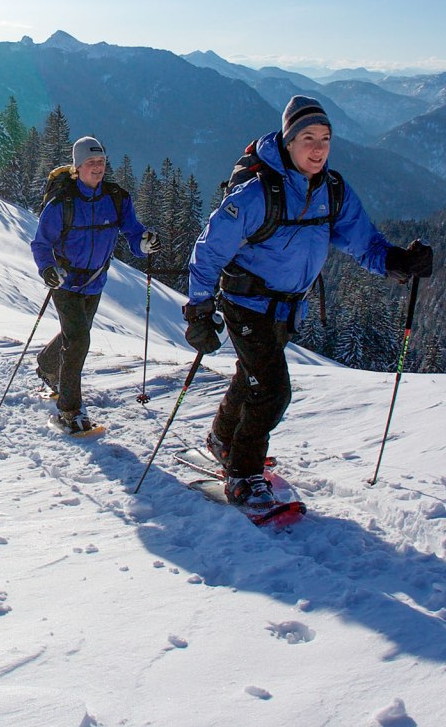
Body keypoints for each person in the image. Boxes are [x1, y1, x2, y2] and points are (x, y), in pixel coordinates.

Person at [182, 96, 433, 510]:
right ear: (288, 139)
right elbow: (208, 250)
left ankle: (222, 438)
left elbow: (364, 242)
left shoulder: (332, 192)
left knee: (253, 377)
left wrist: (398, 262)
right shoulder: (256, 194)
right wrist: (199, 308)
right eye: (307, 138)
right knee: (274, 390)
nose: (318, 148)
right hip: (247, 304)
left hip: (286, 308)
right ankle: (243, 473)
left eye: (326, 139)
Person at [30, 135, 158, 434]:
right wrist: (47, 269)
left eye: (101, 162)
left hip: (95, 280)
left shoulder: (116, 198)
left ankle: (47, 365)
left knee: (76, 333)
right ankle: (69, 410)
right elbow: (41, 243)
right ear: (77, 166)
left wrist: (144, 243)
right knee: (79, 341)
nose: (98, 168)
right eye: (91, 162)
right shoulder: (61, 203)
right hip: (65, 282)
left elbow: (132, 232)